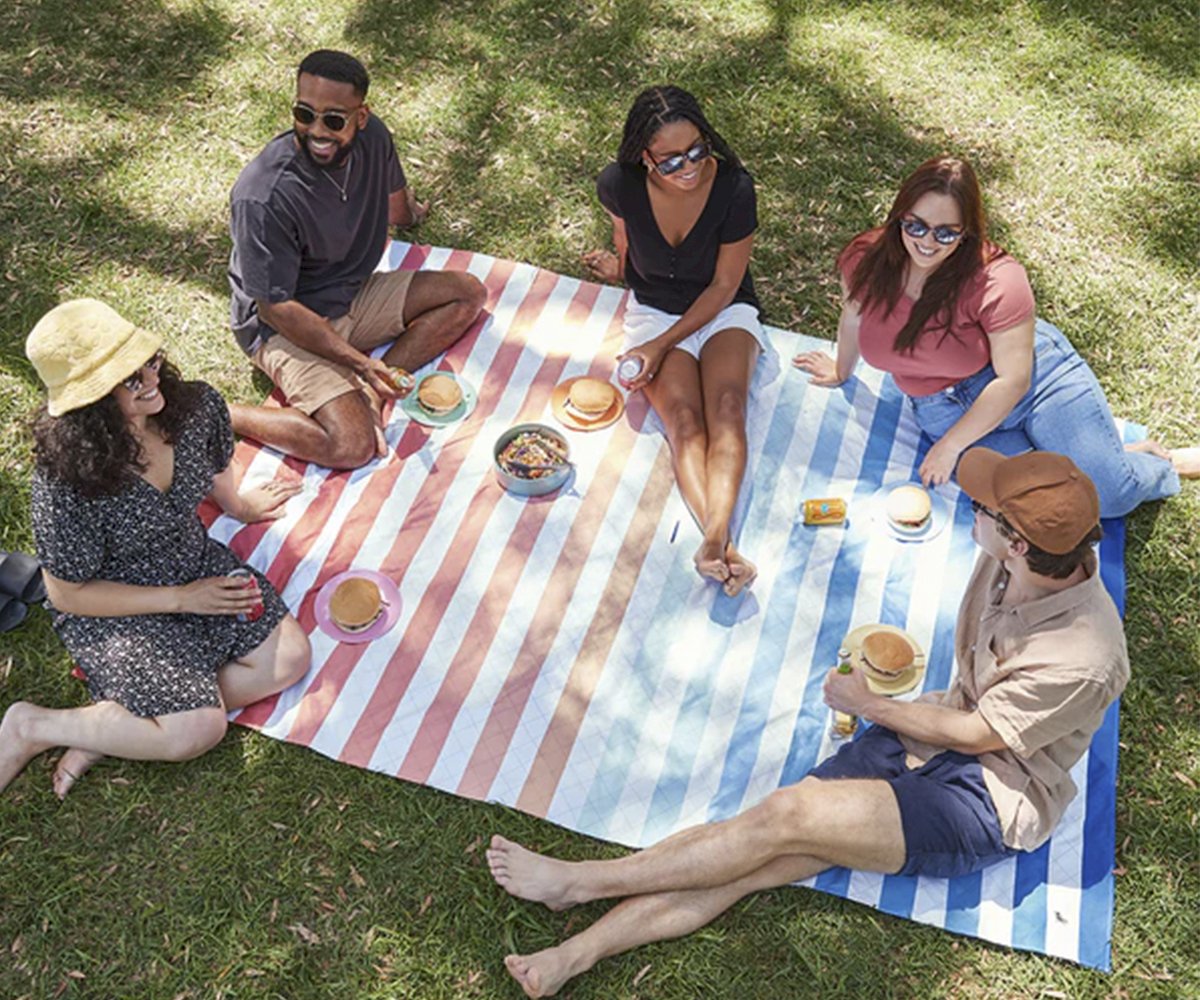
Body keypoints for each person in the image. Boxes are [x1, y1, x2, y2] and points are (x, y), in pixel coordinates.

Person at [487, 448, 1128, 998]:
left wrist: (869, 704)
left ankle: (581, 882)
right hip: (930, 725)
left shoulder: (1085, 657)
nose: (972, 510)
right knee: (762, 846)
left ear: (1018, 543)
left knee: (782, 821)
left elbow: (981, 737)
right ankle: (576, 955)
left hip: (987, 793)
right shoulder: (1009, 558)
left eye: (985, 511)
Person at [0, 299, 311, 800]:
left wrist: (239, 505)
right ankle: (33, 726)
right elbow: (68, 595)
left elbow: (215, 464)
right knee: (198, 730)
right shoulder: (67, 483)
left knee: (290, 660)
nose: (151, 377)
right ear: (92, 402)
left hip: (192, 563)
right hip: (115, 607)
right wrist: (181, 599)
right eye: (128, 378)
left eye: (149, 359)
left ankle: (119, 725)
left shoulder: (193, 407)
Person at [793, 155, 1199, 517]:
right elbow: (853, 316)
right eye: (914, 225)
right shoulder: (865, 260)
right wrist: (842, 369)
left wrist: (949, 446)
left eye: (945, 233)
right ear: (899, 216)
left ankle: (1160, 464)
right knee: (1041, 502)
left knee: (1108, 496)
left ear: (966, 231)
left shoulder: (999, 280)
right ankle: (1111, 456)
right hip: (943, 408)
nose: (926, 242)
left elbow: (1013, 379)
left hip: (1037, 383)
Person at [227, 49, 486, 469]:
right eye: (304, 113)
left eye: (333, 119)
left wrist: (412, 216)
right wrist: (360, 363)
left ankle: (371, 390)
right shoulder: (262, 195)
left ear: (361, 117)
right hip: (283, 327)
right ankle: (221, 413)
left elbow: (397, 203)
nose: (316, 130)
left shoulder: (374, 139)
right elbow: (274, 308)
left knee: (467, 294)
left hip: (350, 293)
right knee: (352, 445)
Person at [583, 85, 775, 596]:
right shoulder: (618, 186)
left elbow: (724, 285)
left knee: (729, 406)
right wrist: (618, 269)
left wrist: (660, 346)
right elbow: (626, 242)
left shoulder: (735, 188)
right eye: (670, 160)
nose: (688, 166)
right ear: (644, 158)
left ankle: (714, 535)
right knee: (684, 422)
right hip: (651, 310)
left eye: (697, 149)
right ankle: (724, 548)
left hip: (721, 308)